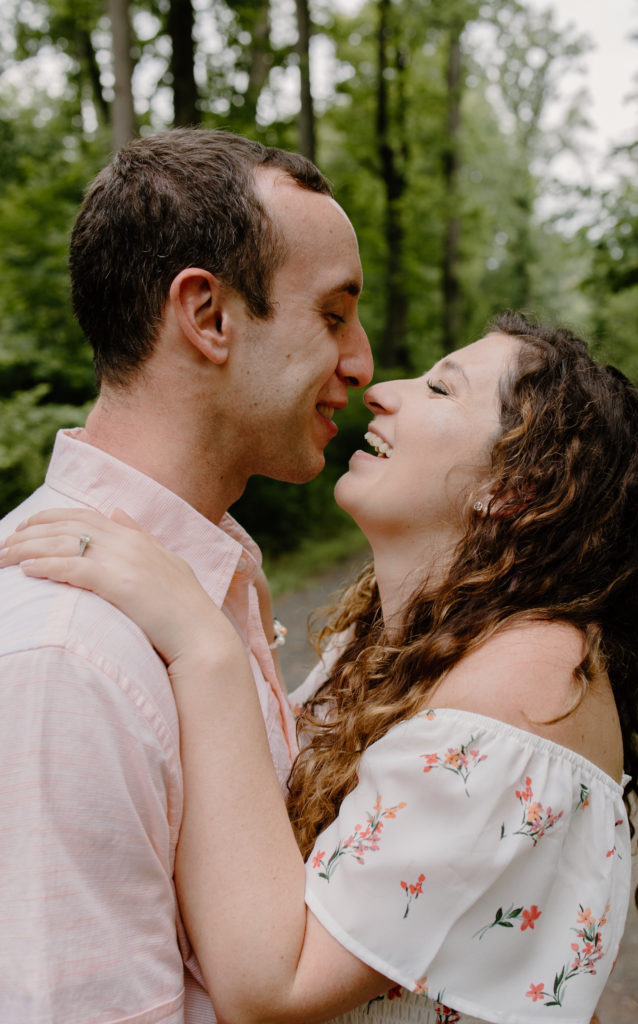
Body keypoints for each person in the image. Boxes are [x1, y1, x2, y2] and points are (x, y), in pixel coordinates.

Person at [2, 313, 638, 1024]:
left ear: (513, 489)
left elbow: (274, 988)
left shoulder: (529, 686)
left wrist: (207, 646)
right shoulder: (399, 642)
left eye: (440, 390)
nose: (383, 389)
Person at [0, 128, 372, 1022]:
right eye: (331, 314)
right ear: (207, 317)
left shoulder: (198, 587)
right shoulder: (69, 653)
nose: (359, 364)